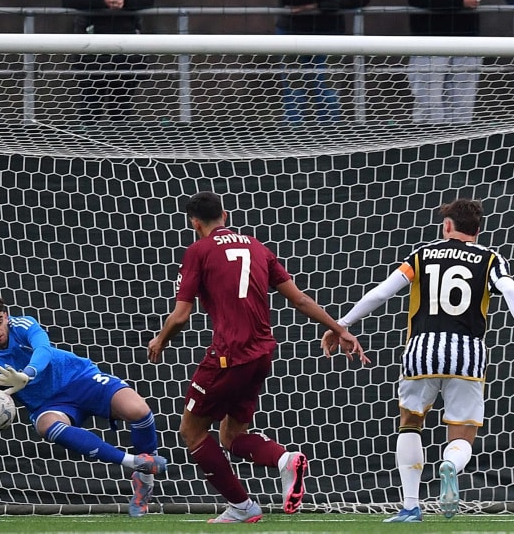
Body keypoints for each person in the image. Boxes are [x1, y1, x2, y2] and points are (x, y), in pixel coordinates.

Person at [321, 198, 514, 523]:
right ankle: (451, 465)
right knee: (462, 435)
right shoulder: (489, 258)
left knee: (410, 423)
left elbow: (381, 293)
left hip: (421, 350)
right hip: (468, 353)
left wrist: (341, 325)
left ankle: (411, 506)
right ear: (478, 230)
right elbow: (510, 290)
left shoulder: (423, 255)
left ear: (447, 227)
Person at [147, 191, 368, 524]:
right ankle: (285, 460)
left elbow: (180, 316)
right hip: (261, 353)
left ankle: (242, 506)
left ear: (194, 222)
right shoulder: (257, 246)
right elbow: (301, 300)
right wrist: (340, 329)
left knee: (192, 431)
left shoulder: (198, 251)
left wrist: (160, 340)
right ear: (225, 213)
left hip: (228, 355)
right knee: (231, 436)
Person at [0, 292, 167, 518]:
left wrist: (28, 374)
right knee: (45, 426)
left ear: (7, 316)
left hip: (79, 378)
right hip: (48, 404)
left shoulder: (24, 324)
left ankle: (144, 482)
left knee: (139, 411)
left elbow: (43, 348)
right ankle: (135, 463)